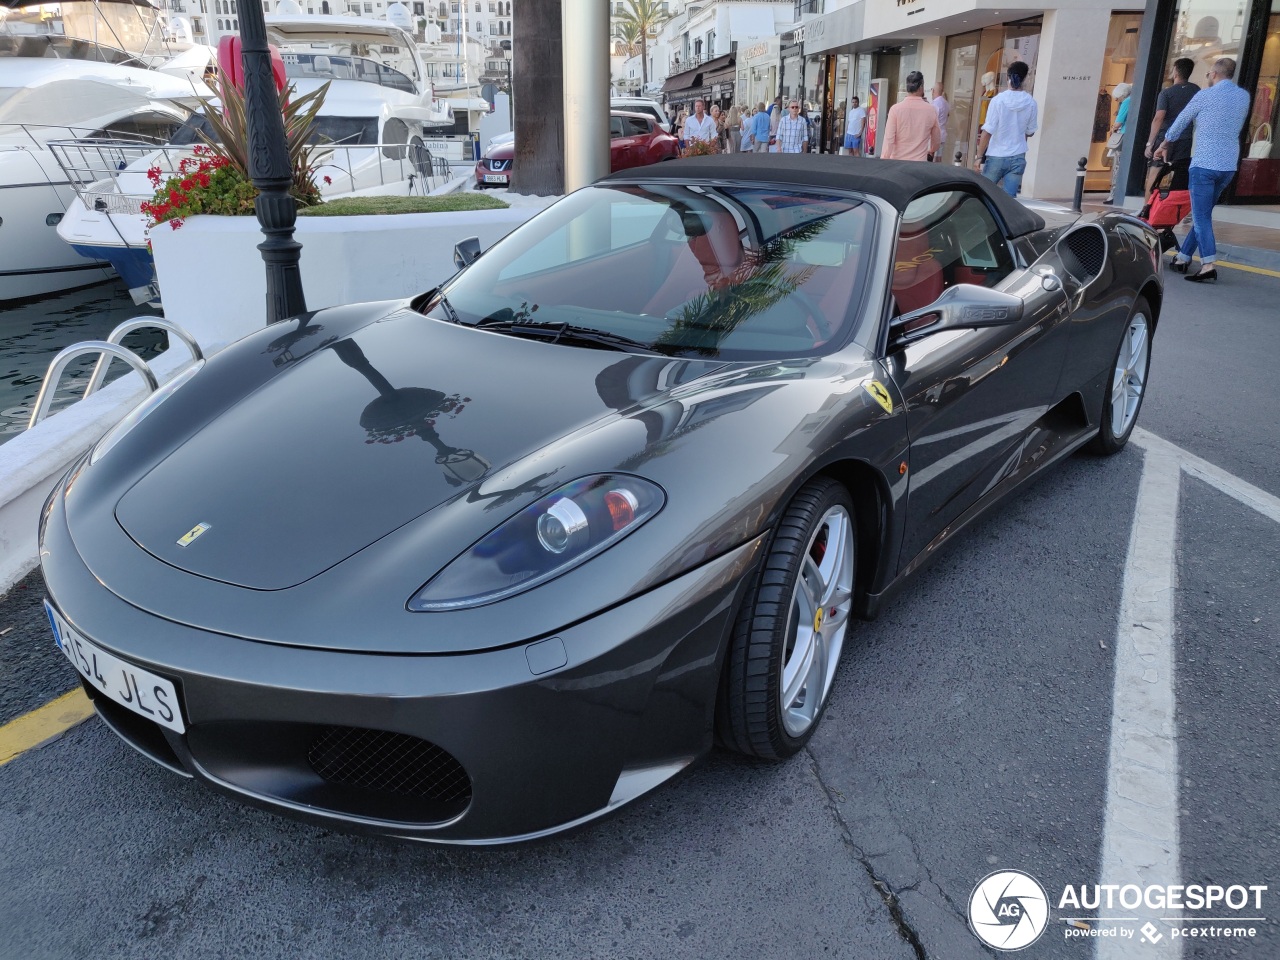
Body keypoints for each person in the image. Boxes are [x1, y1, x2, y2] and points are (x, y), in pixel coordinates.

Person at [1155, 57, 1251, 283]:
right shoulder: (1243, 96)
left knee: (1200, 217)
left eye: (1208, 73)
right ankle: (1183, 257)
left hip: (1204, 164)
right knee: (1203, 214)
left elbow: (1181, 121)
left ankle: (1208, 263)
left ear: (1215, 74)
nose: (1207, 76)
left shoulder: (1204, 96)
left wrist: (1164, 143)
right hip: (1228, 165)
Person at [973, 61, 1037, 197]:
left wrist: (979, 157)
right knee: (1009, 201)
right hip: (1018, 155)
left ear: (1008, 77)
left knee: (985, 195)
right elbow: (1030, 132)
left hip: (997, 155)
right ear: (1025, 79)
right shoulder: (1031, 102)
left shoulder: (998, 100)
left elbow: (987, 131)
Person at [1144, 58, 1199, 195]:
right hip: (1186, 139)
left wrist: (1150, 143)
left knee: (1154, 174)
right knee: (1179, 177)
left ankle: (1147, 209)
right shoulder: (1196, 90)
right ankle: (1173, 209)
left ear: (1175, 71)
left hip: (1165, 138)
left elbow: (1158, 118)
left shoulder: (1167, 93)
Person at [880, 71, 940, 162]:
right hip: (919, 163)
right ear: (921, 87)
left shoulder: (895, 110)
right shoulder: (931, 110)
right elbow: (936, 141)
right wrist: (931, 150)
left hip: (897, 163)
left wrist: (884, 159)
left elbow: (889, 140)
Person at [1103, 82, 1132, 204]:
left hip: (1122, 135)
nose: (1116, 100)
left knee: (1117, 165)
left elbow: (1119, 121)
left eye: (1117, 97)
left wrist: (1112, 128)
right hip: (1129, 135)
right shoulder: (1134, 99)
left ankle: (1113, 194)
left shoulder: (1126, 102)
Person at [930, 82, 950, 162]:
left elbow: (932, 120)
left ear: (933, 91)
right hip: (943, 132)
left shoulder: (935, 104)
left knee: (931, 155)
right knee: (939, 156)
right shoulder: (946, 103)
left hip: (935, 134)